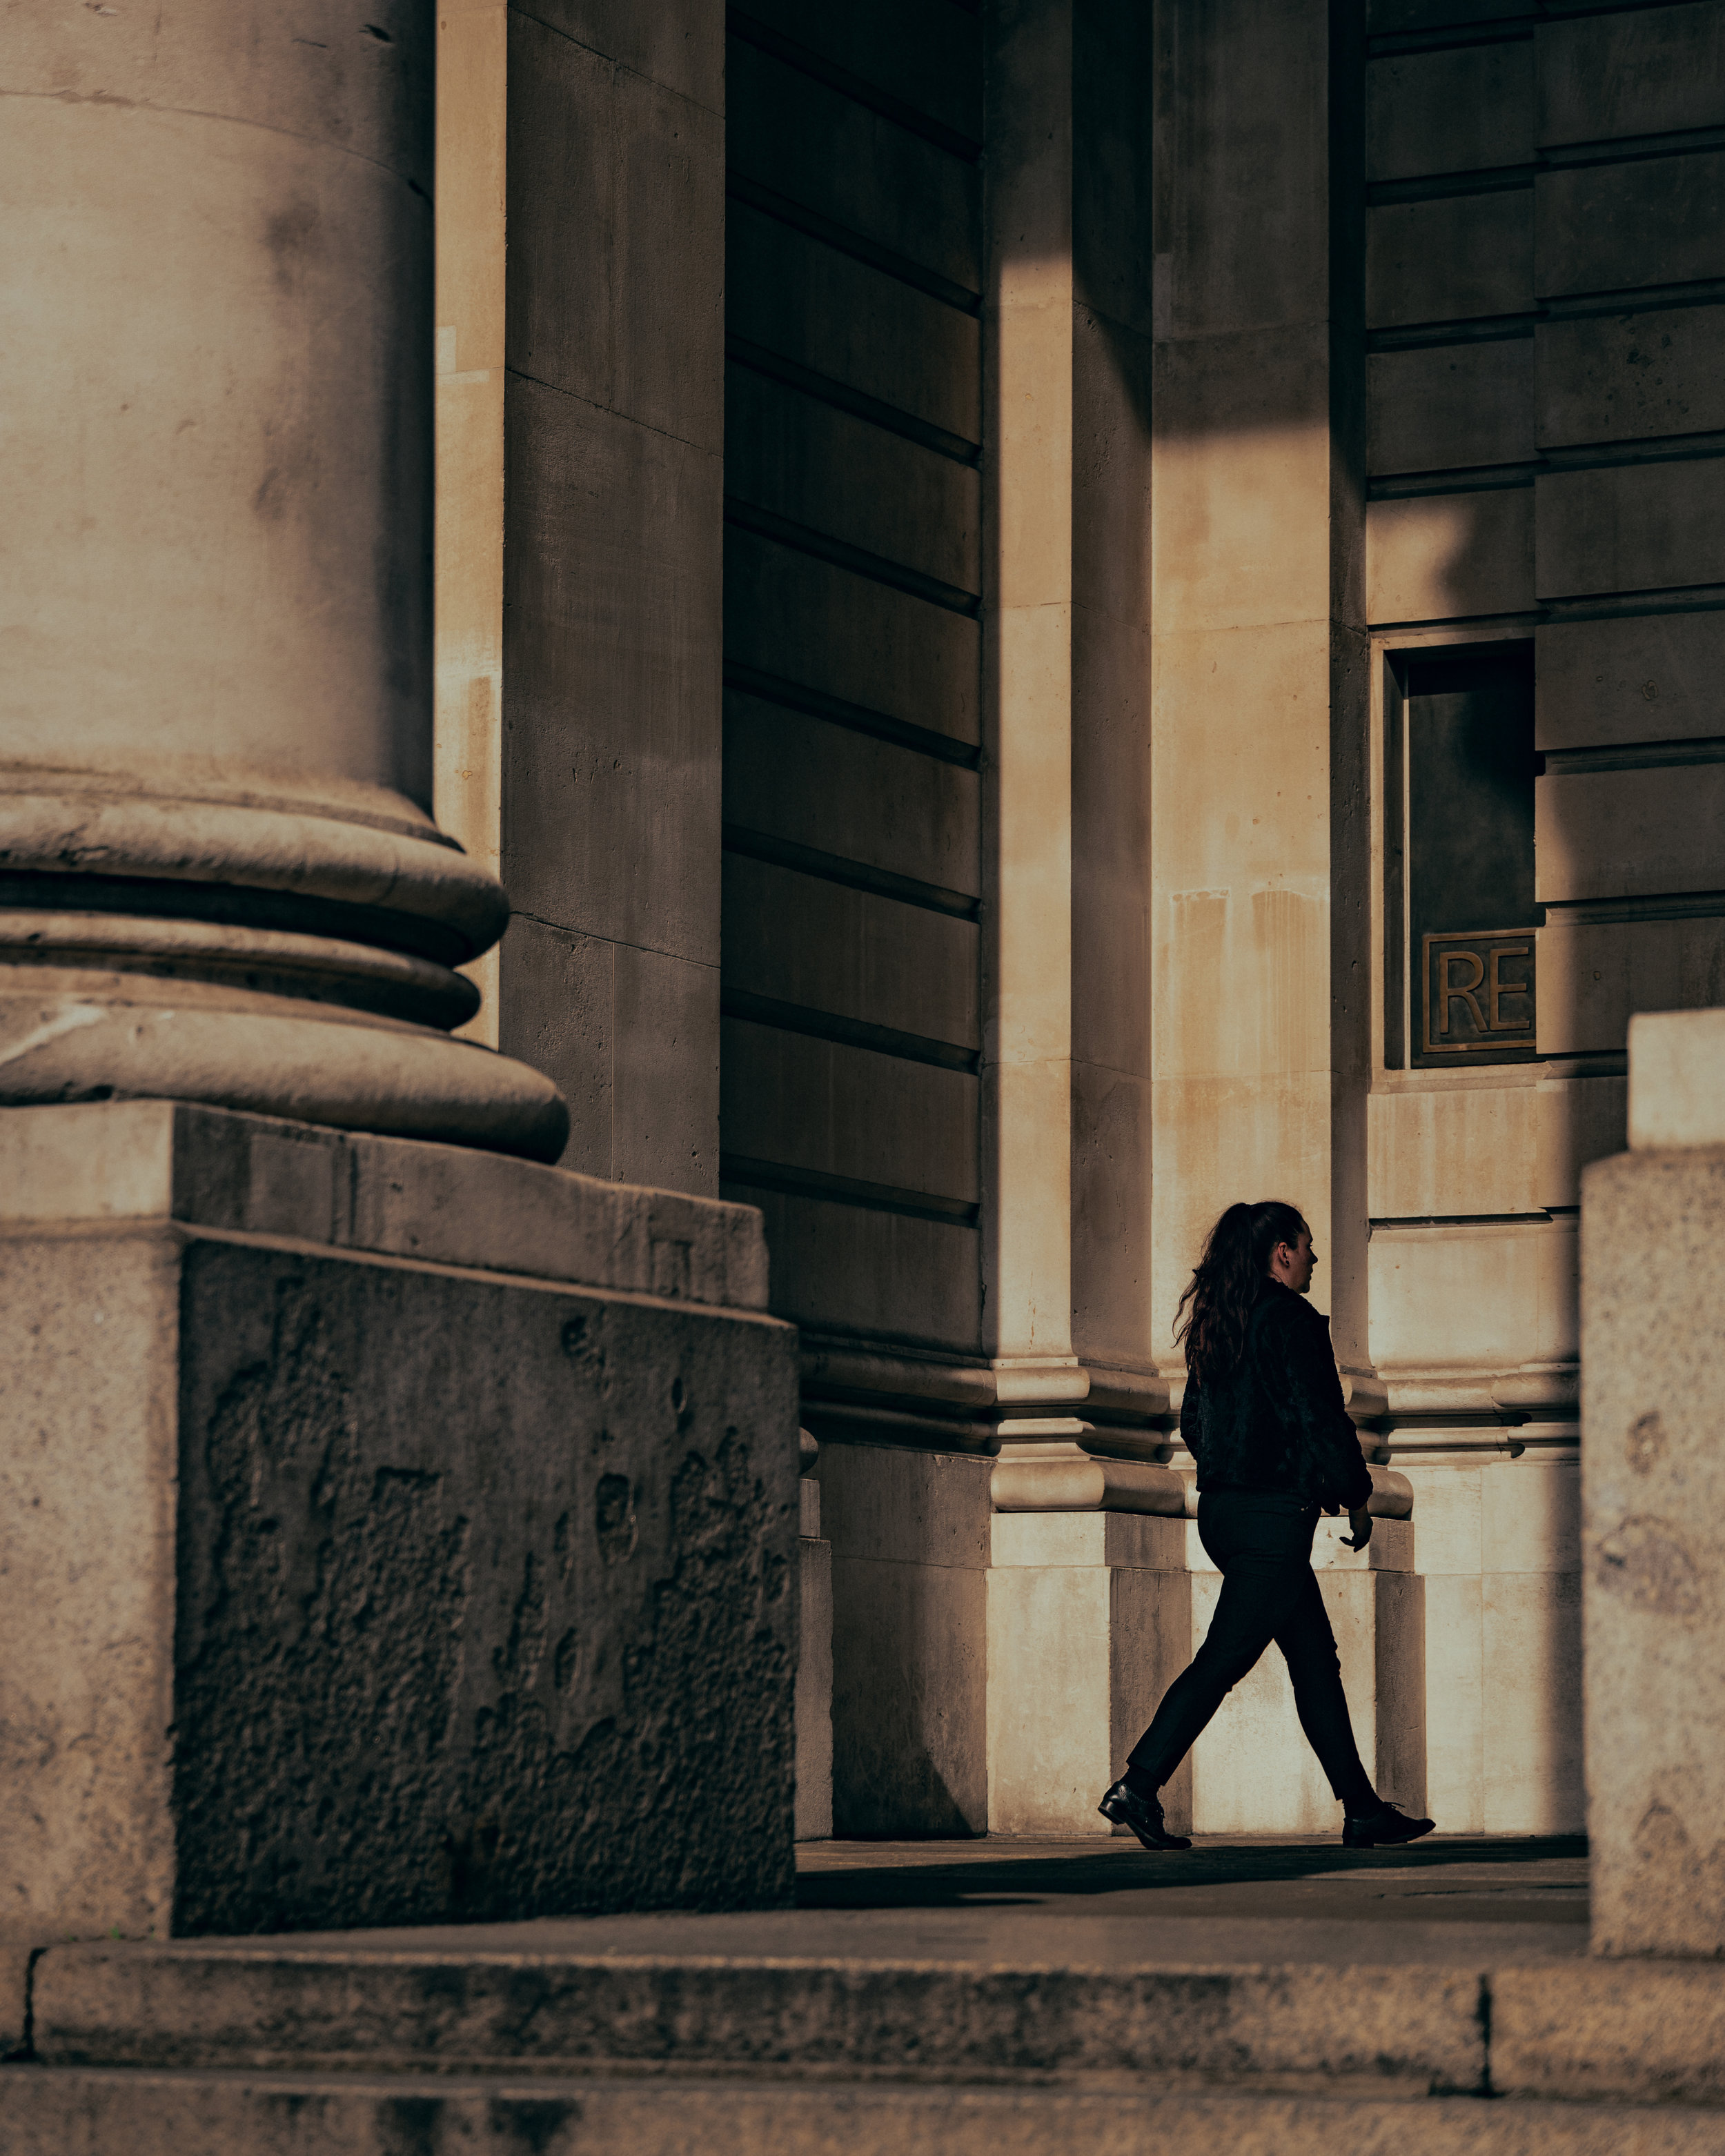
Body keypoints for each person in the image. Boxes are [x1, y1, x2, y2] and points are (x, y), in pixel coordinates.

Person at [1098, 1200, 1435, 1853]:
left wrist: (1237, 1470)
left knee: (1315, 1659)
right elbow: (1322, 1417)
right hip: (1271, 1523)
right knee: (1224, 1658)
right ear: (1282, 1250)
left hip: (1225, 1514)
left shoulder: (1217, 1321)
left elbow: (1194, 1422)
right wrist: (1354, 1493)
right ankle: (1138, 1784)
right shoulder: (1292, 1319)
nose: (1313, 1261)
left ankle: (1363, 1809)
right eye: (1308, 1247)